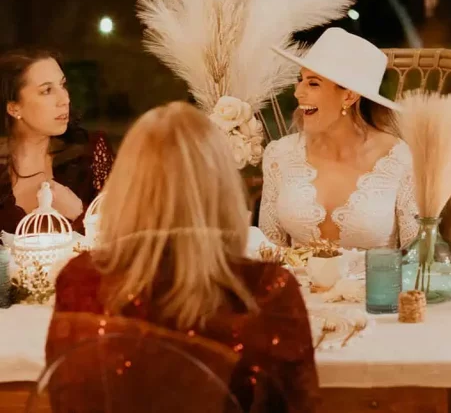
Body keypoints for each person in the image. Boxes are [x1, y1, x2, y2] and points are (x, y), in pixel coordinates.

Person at [46, 102, 318, 412]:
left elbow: (68, 400)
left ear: (125, 185)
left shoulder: (81, 279)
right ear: (223, 186)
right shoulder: (267, 290)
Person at [259, 28, 418, 248]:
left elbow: (418, 255)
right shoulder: (279, 154)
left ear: (349, 96)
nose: (298, 93)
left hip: (374, 283)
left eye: (313, 83)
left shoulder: (398, 159)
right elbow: (269, 249)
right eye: (300, 80)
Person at [0, 49, 113, 233]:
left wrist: (80, 213)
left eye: (63, 86)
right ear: (14, 108)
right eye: (47, 91)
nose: (65, 99)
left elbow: (124, 238)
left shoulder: (90, 153)